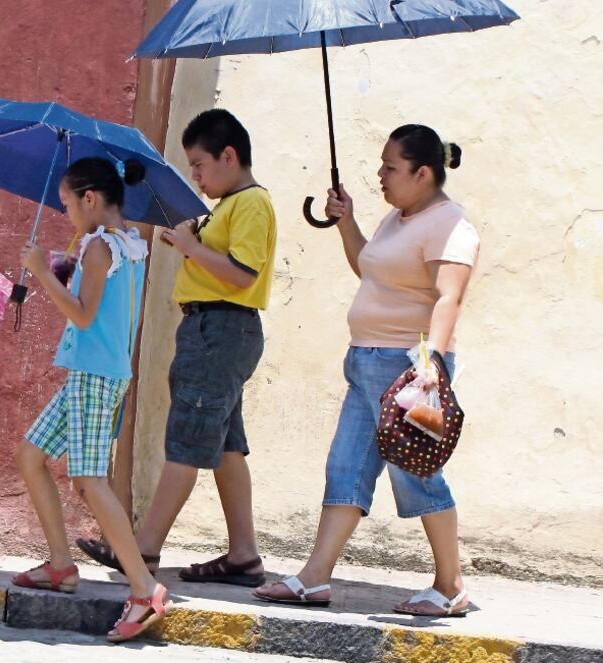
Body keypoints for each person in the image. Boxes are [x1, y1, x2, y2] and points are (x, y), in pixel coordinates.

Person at [253, 125, 480, 618]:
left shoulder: (450, 224)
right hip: (365, 363)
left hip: (408, 369)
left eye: (390, 167)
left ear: (423, 173)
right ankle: (314, 579)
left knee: (417, 476)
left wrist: (430, 365)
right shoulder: (396, 219)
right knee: (346, 468)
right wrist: (346, 222)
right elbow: (368, 267)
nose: (380, 175)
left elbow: (449, 296)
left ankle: (450, 585)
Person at [78, 109, 277, 589]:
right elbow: (219, 262)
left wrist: (190, 246)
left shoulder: (251, 204)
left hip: (220, 329)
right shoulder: (229, 206)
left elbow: (242, 273)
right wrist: (190, 240)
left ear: (229, 156)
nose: (196, 176)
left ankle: (142, 550)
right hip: (212, 329)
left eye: (200, 165)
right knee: (226, 445)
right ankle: (244, 554)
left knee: (186, 441)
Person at [13, 157, 170, 643]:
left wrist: (42, 272)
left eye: (67, 205)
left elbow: (82, 316)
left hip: (94, 375)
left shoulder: (101, 247)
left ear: (89, 198)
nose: (66, 215)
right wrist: (67, 266)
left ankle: (144, 589)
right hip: (97, 371)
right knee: (31, 455)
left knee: (89, 481)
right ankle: (61, 564)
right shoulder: (127, 244)